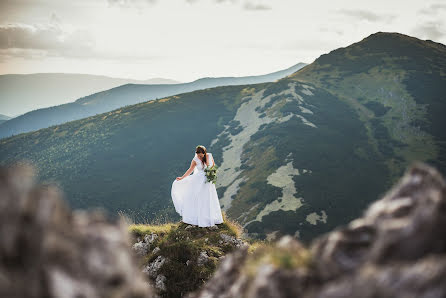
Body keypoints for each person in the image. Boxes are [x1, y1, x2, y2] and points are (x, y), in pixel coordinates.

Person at [171, 145, 224, 227]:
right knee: (199, 198)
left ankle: (210, 217)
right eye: (198, 155)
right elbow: (190, 170)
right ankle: (199, 218)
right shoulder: (195, 160)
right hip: (199, 181)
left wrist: (212, 172)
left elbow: (213, 165)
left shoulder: (209, 155)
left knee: (209, 198)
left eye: (200, 155)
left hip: (208, 181)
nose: (199, 157)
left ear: (204, 153)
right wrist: (182, 177)